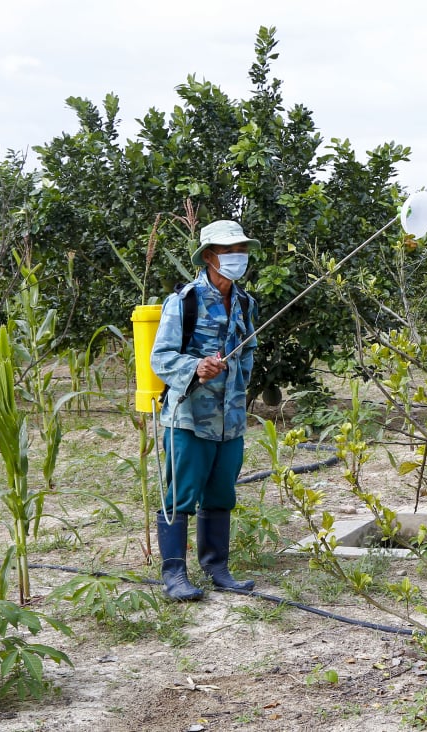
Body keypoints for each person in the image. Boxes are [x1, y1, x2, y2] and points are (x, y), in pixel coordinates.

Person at [151, 220, 260, 601]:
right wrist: (195, 368)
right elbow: (160, 358)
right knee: (181, 494)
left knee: (220, 492)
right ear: (209, 256)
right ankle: (174, 576)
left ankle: (217, 568)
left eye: (241, 251)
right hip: (188, 417)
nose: (237, 258)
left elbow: (247, 351)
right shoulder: (184, 301)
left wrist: (234, 379)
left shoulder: (245, 303)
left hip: (230, 419)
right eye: (229, 252)